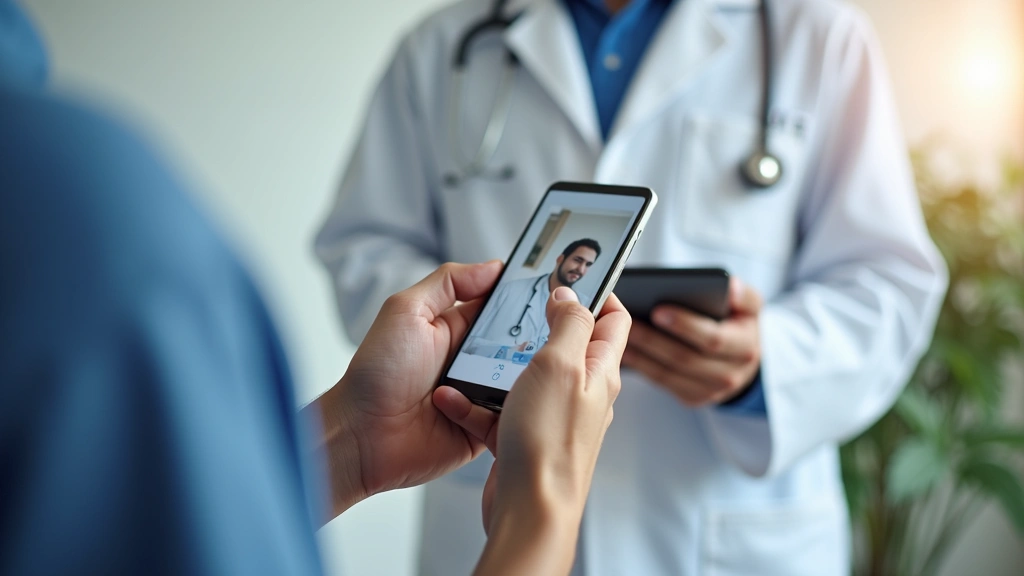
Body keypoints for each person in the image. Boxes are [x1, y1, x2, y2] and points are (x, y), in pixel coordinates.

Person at [313, 0, 949, 574]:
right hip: (480, 475)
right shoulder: (443, 46)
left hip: (728, 531)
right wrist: (480, 343)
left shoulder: (819, 37)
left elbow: (886, 279)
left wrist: (765, 365)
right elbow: (364, 247)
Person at [0, 2, 631, 575]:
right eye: (571, 258)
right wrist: (543, 502)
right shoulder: (84, 214)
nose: (576, 270)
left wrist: (353, 441)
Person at [466, 238, 600, 358]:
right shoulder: (510, 289)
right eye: (577, 260)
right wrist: (507, 351)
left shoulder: (585, 308)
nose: (581, 269)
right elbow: (467, 342)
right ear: (560, 259)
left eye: (588, 264)